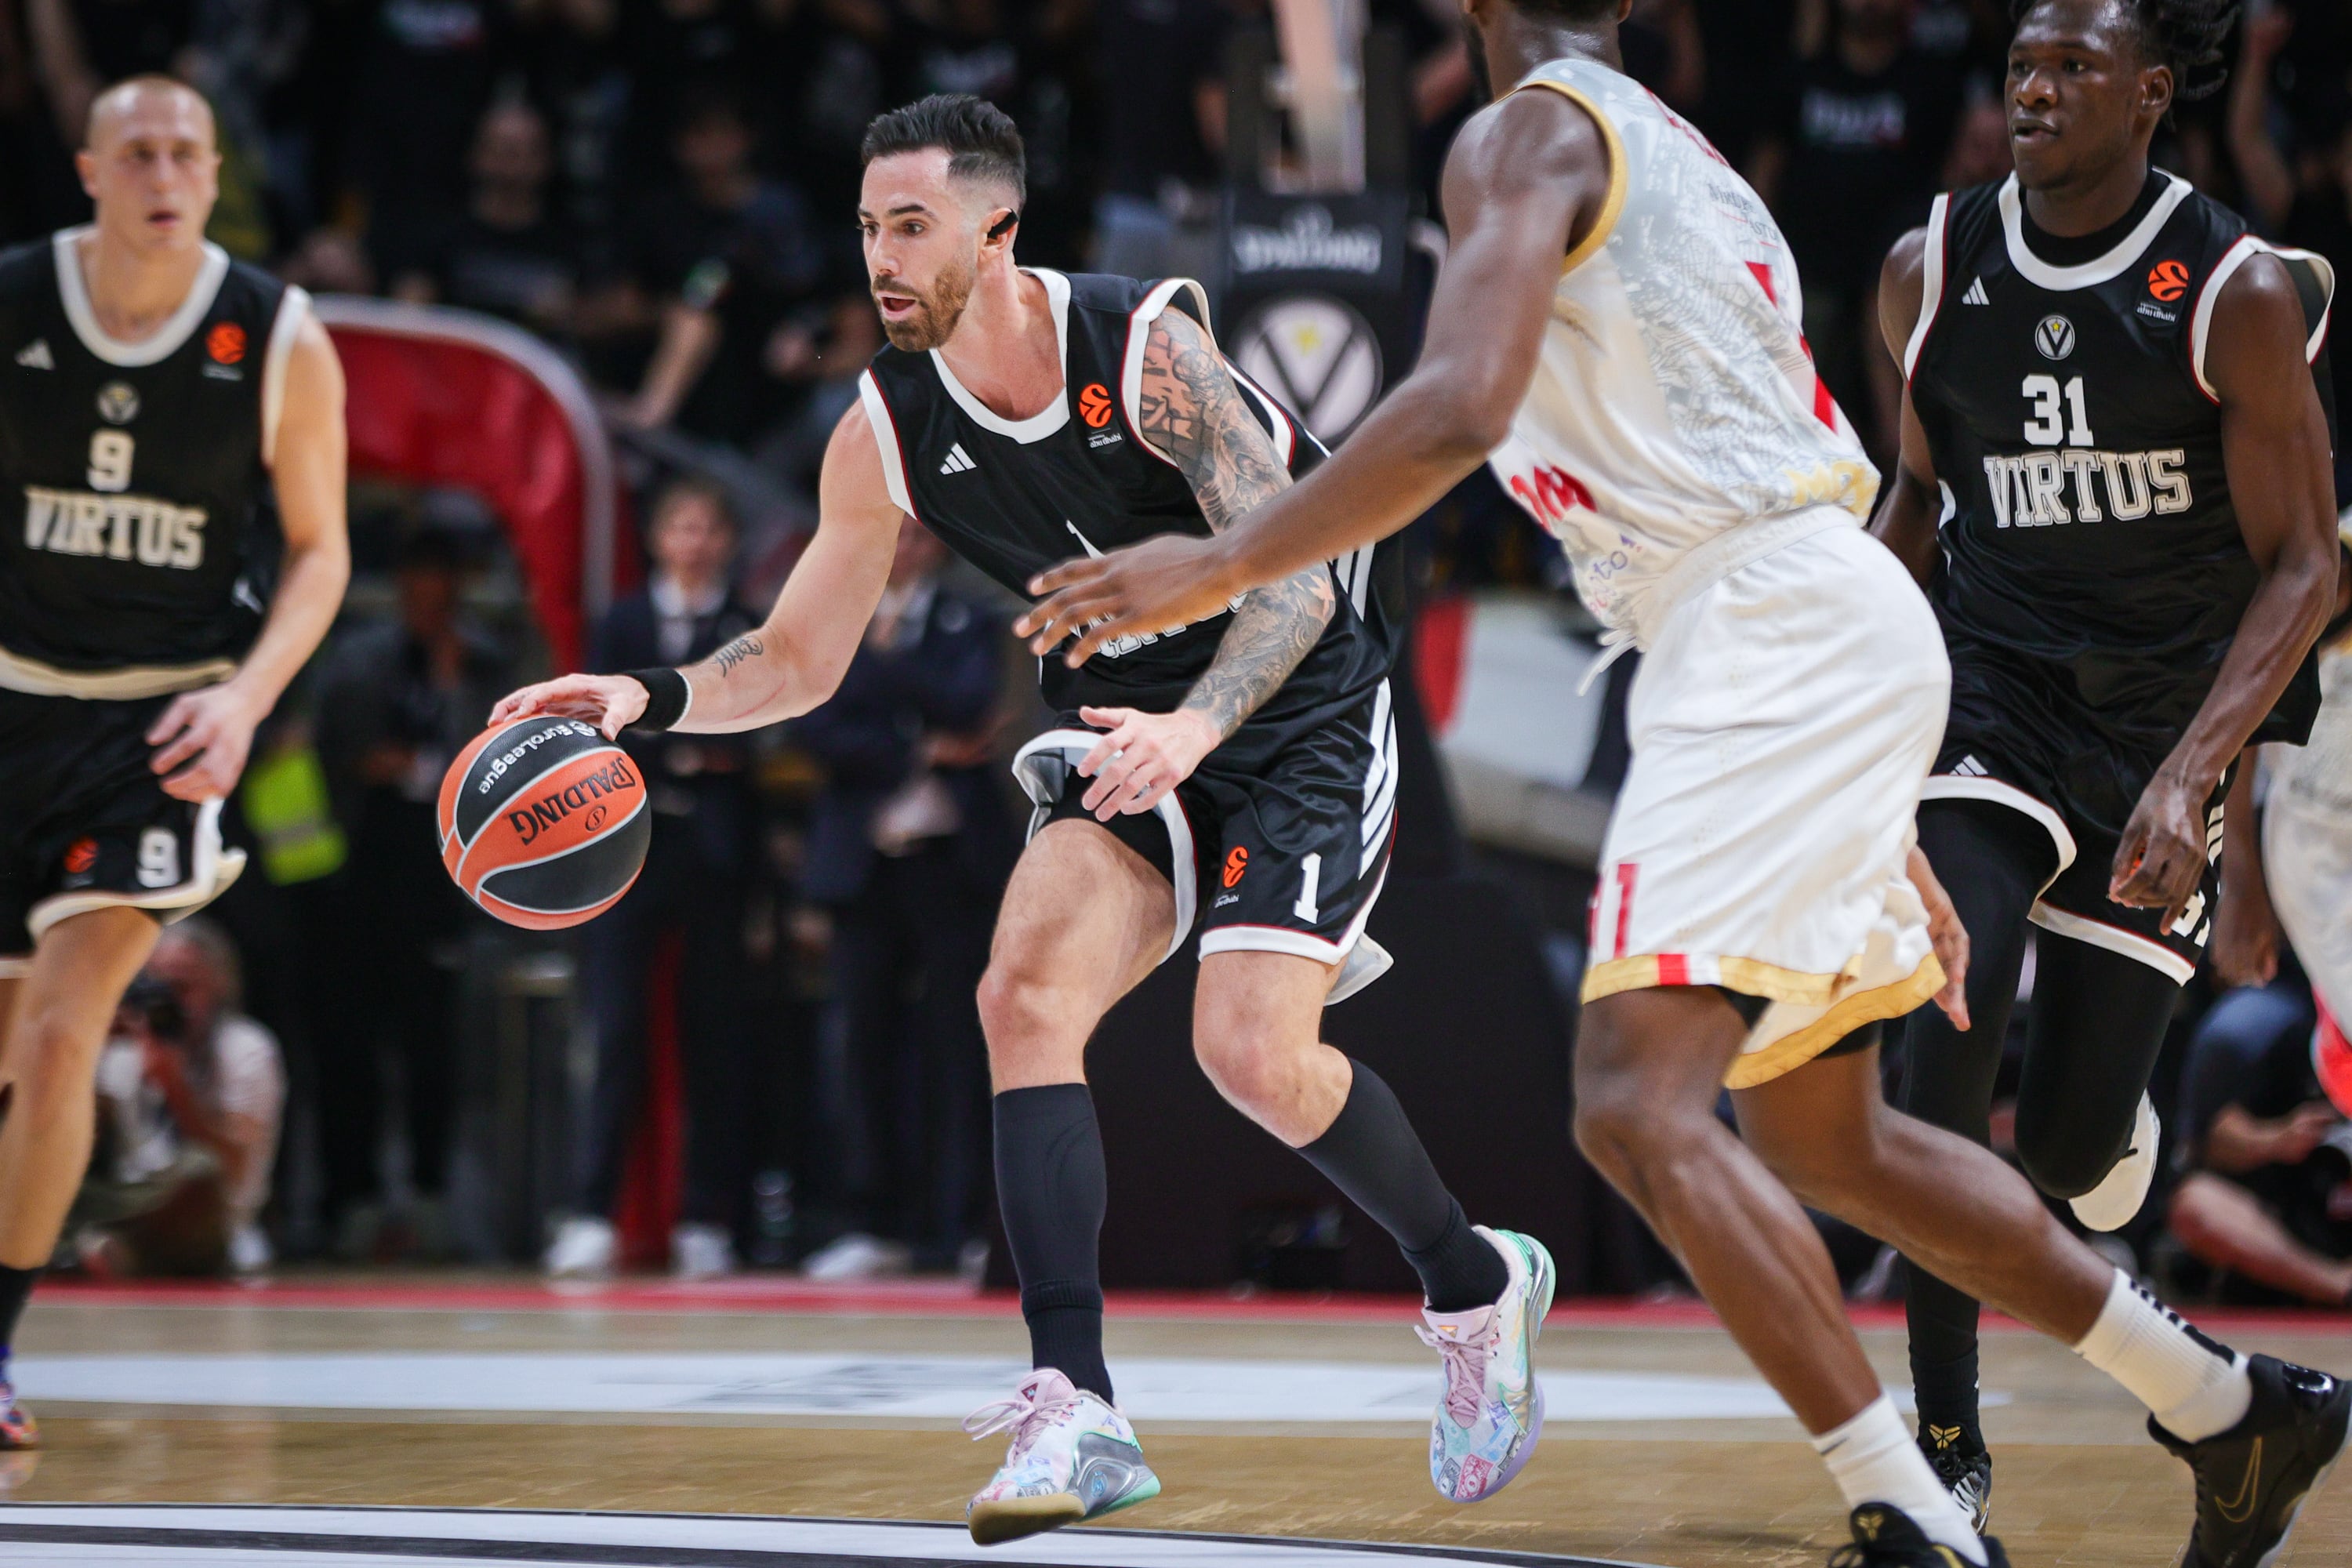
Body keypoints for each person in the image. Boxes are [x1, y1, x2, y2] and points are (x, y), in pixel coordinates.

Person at [1010, 1, 2352, 1563]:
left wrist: (1229, 555)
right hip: (1824, 626)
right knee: (1824, 1140)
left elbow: (1461, 402)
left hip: (1767, 629)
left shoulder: (1520, 132)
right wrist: (1867, 784)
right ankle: (2227, 1405)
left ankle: (1918, 1519)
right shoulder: (1697, 161)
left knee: (1633, 1101)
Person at [488, 93, 1553, 1544]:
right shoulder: (884, 426)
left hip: (1293, 699)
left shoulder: (1143, 350)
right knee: (1021, 990)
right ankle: (1078, 1403)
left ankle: (1477, 1288)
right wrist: (641, 696)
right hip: (1124, 723)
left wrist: (1199, 729)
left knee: (1247, 1051)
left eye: (911, 225)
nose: (881, 255)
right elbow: (799, 659)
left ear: (998, 230)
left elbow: (1301, 577)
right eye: (869, 226)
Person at [1867, 0, 2340, 1525]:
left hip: (2158, 725)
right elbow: (1914, 512)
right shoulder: (1928, 270)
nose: (2037, 89)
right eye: (2021, 65)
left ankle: (2107, 1141)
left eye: (2075, 68)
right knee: (1946, 1020)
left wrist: (2201, 774)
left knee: (2070, 1148)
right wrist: (1837, 726)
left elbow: (2305, 563)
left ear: (2152, 97)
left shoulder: (2234, 288)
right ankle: (1944, 1443)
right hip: (1992, 700)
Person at [0, 75, 349, 1449]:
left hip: (158, 726)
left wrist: (251, 698)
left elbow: (321, 550)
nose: (163, 172)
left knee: (61, 1030)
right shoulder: (16, 301)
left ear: (215, 177)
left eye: (186, 153)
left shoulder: (276, 335)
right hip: (10, 696)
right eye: (136, 150)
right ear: (88, 172)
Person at [543, 479, 763, 1282]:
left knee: (715, 1033)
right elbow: (601, 732)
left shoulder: (744, 625)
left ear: (727, 539)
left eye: (708, 524)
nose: (695, 539)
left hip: (716, 850)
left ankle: (709, 1216)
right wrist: (682, 752)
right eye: (681, 524)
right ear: (658, 537)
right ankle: (591, 1210)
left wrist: (686, 749)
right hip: (627, 847)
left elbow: (760, 734)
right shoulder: (624, 621)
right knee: (614, 1029)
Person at [794, 515, 1012, 1275]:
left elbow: (973, 701)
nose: (904, 550)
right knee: (863, 1042)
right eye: (890, 536)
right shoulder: (834, 618)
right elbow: (816, 727)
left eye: (916, 537)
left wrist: (883, 674)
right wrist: (919, 745)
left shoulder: (970, 619)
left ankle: (958, 1223)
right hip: (863, 861)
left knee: (960, 1043)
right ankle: (869, 1217)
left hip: (952, 860)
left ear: (937, 545)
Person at [312, 522, 505, 1242]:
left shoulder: (481, 661)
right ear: (401, 591)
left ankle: (429, 1193)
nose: (431, 602)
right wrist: (375, 761)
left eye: (444, 589)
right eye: (419, 588)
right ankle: (347, 1198)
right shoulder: (360, 657)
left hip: (442, 876)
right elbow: (338, 747)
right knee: (348, 1042)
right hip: (357, 868)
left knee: (434, 1044)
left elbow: (490, 761)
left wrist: (453, 684)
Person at [79, 918, 286, 1276]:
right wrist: (87, 1047)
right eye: (157, 986)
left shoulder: (247, 1048)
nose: (170, 1001)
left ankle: (106, 1255)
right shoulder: (126, 1047)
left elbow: (233, 1166)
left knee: (198, 1170)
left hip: (214, 1222)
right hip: (128, 1210)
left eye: (184, 987)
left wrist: (173, 1084)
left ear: (220, 986)